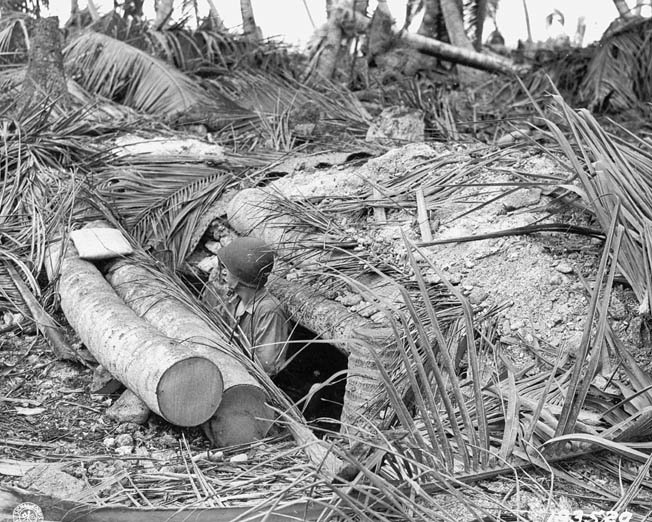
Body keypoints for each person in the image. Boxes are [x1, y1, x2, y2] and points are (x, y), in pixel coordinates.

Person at [205, 236, 289, 377]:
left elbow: (267, 367)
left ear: (242, 277)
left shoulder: (269, 312)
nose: (223, 272)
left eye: (227, 269)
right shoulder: (235, 297)